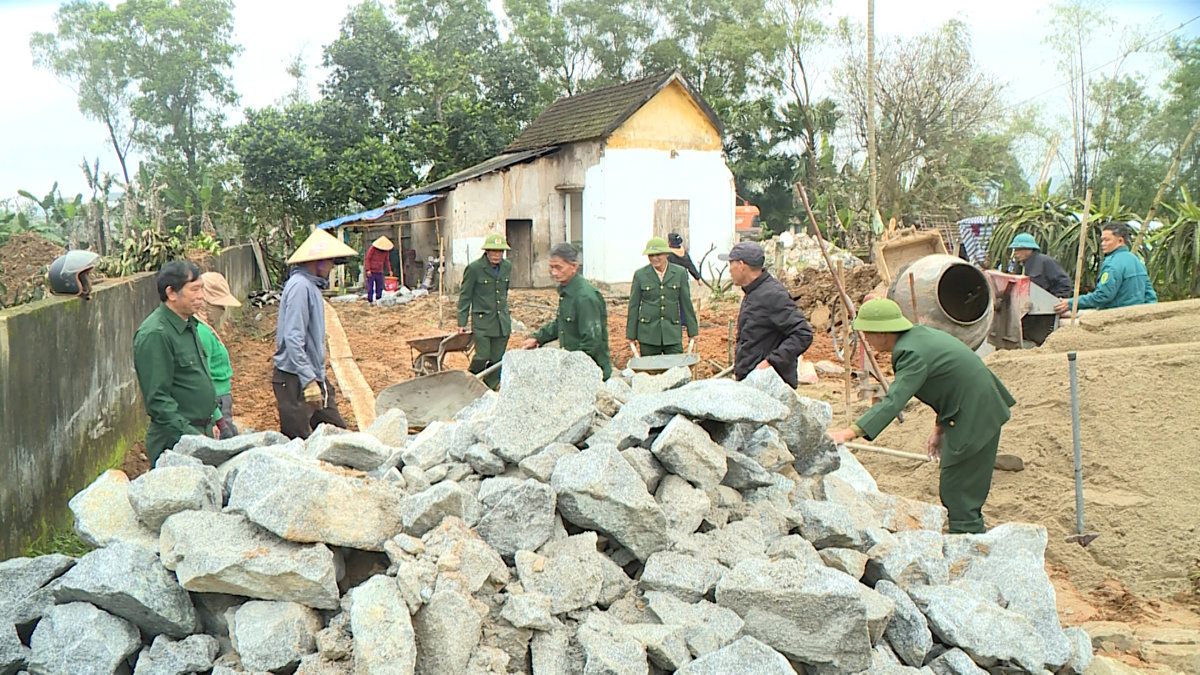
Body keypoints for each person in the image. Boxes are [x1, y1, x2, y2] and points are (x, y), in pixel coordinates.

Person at [827, 299, 1016, 534]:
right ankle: (967, 534)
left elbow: (893, 401)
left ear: (884, 332)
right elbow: (947, 382)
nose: (865, 338)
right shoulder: (918, 337)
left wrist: (848, 432)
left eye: (868, 332)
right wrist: (939, 428)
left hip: (975, 412)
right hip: (974, 405)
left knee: (958, 486)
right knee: (960, 481)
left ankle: (968, 542)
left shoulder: (910, 353)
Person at [273, 228, 358, 439]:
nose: (330, 267)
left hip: (311, 373)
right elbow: (293, 337)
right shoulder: (300, 287)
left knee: (337, 434)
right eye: (329, 262)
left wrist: (315, 377)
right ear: (318, 262)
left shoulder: (310, 287)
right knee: (298, 440)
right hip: (294, 378)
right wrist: (308, 380)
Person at [133, 260, 217, 463]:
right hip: (175, 441)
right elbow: (158, 400)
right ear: (171, 293)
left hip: (200, 432)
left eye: (202, 289)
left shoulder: (188, 325)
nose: (201, 297)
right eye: (194, 290)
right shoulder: (156, 334)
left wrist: (211, 421)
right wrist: (191, 436)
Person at [720, 241, 813, 387]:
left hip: (771, 385)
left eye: (731, 264)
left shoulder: (772, 295)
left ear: (741, 265)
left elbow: (803, 334)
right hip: (752, 382)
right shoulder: (753, 292)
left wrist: (771, 362)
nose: (729, 270)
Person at [522, 243, 612, 378]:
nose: (554, 273)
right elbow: (561, 323)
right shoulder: (568, 292)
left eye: (558, 268)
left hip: (589, 371)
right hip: (574, 367)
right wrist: (538, 338)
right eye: (551, 268)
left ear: (574, 266)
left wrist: (571, 365)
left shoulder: (585, 297)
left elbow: (592, 341)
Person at [1054, 221, 1157, 315]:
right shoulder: (1136, 260)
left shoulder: (1112, 264)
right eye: (1102, 240)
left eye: (1107, 240)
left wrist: (1072, 303)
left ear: (1120, 240)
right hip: (1136, 314)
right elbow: (1150, 295)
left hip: (1115, 315)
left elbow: (1103, 296)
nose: (1103, 244)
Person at [458, 233, 513, 389]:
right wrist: (461, 322)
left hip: (501, 322)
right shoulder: (475, 268)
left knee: (497, 359)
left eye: (500, 252)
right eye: (493, 251)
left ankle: (491, 385)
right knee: (482, 356)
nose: (496, 255)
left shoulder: (507, 266)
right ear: (486, 252)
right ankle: (469, 381)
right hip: (482, 321)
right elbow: (465, 296)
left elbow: (503, 291)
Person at [627, 237, 698, 357]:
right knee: (649, 371)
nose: (654, 258)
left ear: (666, 254)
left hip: (672, 333)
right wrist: (631, 335)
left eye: (658, 254)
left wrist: (693, 331)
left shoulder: (679, 273)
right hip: (648, 335)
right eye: (651, 255)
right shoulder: (640, 275)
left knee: (676, 369)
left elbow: (686, 303)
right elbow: (633, 306)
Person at [197, 271, 241, 439]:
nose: (222, 310)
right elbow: (202, 376)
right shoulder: (201, 332)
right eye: (218, 306)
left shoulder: (206, 329)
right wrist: (216, 417)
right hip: (216, 400)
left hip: (221, 398)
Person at [1007, 233, 1072, 298]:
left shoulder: (1045, 261)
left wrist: (1055, 300)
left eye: (1018, 249)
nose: (1015, 252)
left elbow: (1064, 282)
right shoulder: (1019, 266)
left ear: (1029, 249)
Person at [364, 235, 394, 305]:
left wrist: (390, 270)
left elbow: (387, 260)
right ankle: (370, 301)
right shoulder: (372, 249)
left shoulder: (386, 251)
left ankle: (378, 300)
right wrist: (368, 269)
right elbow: (368, 258)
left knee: (379, 287)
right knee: (370, 287)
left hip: (379, 271)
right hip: (371, 271)